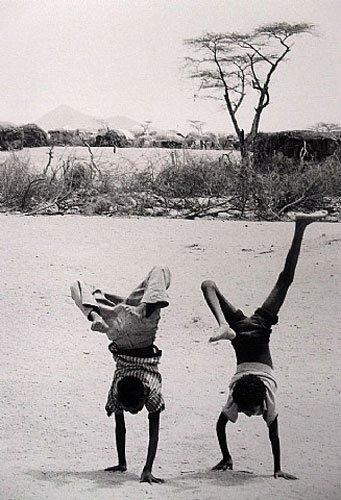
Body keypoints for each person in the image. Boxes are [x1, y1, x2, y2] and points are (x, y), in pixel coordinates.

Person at [201, 211, 327, 479]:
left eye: (248, 412)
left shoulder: (263, 400)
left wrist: (228, 456)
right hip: (243, 332)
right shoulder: (248, 397)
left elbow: (225, 427)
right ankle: (225, 325)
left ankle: (301, 227)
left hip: (258, 328)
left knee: (285, 280)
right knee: (208, 284)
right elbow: (267, 436)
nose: (247, 415)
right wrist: (277, 469)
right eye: (250, 412)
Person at [71, 265, 171, 484]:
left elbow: (121, 426)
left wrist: (126, 463)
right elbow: (151, 432)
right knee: (160, 271)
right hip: (130, 326)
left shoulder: (126, 391)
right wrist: (145, 469)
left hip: (118, 327)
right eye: (132, 409)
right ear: (144, 394)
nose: (133, 413)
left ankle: (96, 313)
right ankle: (140, 306)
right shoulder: (146, 391)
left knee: (79, 287)